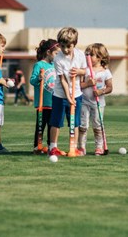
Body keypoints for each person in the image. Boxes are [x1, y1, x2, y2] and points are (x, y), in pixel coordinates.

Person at [49, 27, 87, 157]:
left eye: (68, 46)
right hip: (60, 95)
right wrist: (68, 97)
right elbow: (63, 80)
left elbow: (85, 70)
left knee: (75, 122)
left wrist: (79, 72)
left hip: (77, 94)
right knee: (56, 122)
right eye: (62, 46)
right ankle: (53, 147)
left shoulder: (80, 55)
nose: (65, 49)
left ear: (74, 44)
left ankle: (73, 148)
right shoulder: (58, 59)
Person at [79, 43, 113, 155]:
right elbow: (79, 85)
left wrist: (100, 91)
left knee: (97, 125)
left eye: (91, 55)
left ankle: (99, 147)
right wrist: (88, 83)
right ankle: (81, 147)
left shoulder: (106, 72)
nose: (88, 57)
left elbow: (109, 88)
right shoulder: (85, 70)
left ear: (99, 57)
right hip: (84, 101)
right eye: (87, 55)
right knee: (83, 125)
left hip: (98, 103)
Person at [30, 39, 60, 154]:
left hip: (54, 102)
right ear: (48, 52)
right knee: (41, 126)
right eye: (56, 53)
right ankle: (37, 146)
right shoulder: (39, 65)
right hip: (43, 103)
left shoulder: (56, 65)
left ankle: (50, 146)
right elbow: (32, 80)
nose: (58, 56)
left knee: (52, 125)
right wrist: (39, 78)